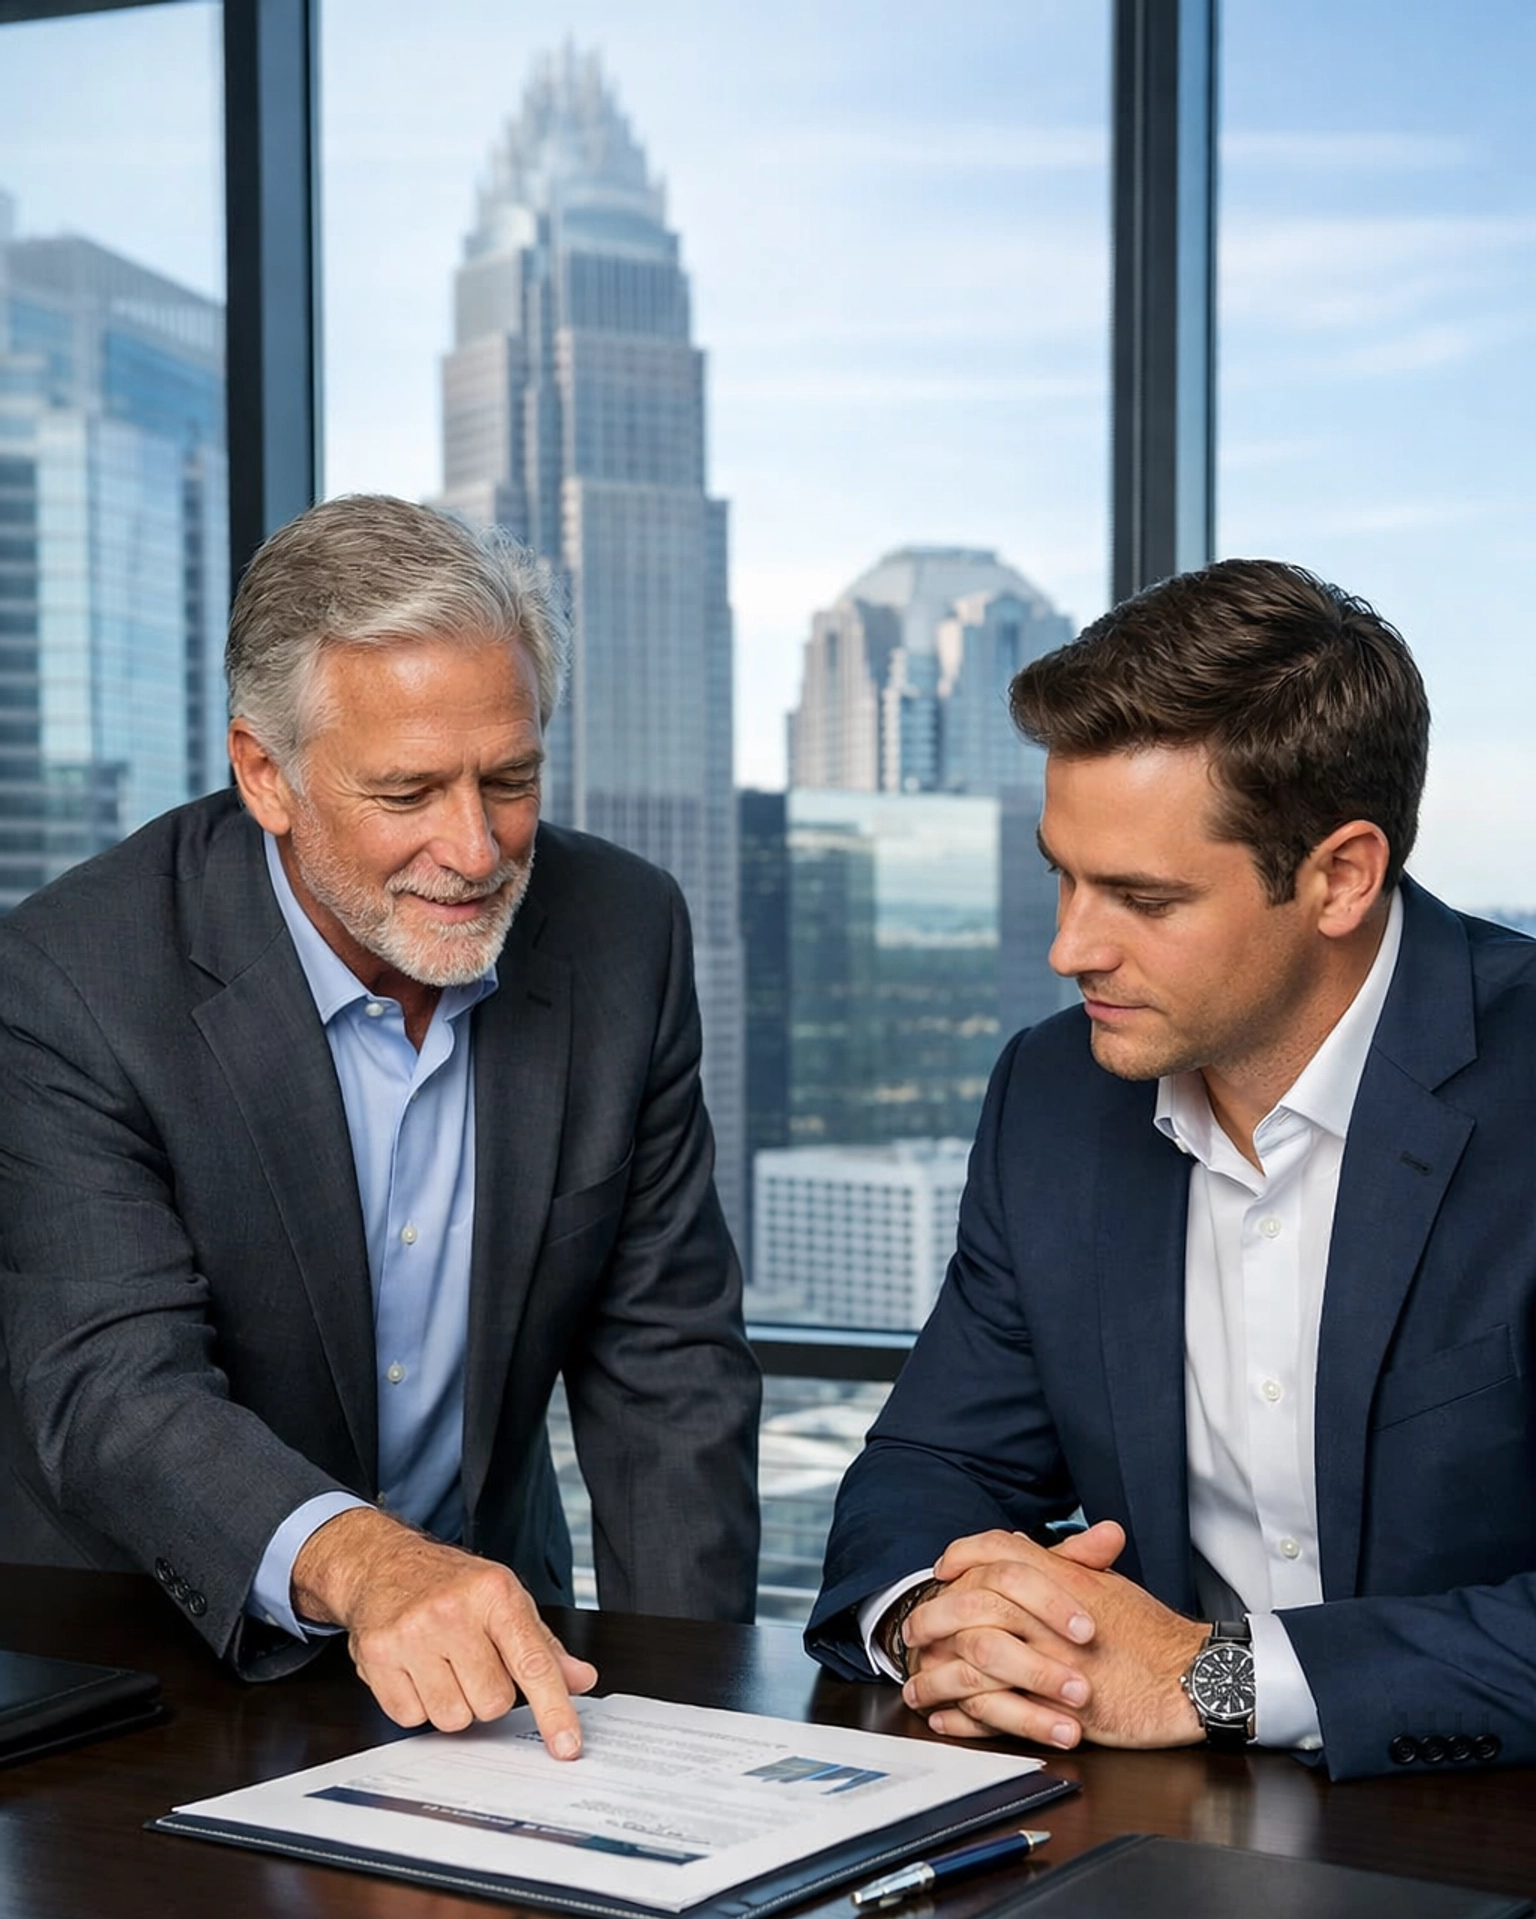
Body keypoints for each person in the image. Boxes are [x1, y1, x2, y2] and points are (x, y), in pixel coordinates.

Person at [0, 494, 760, 1757]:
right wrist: (363, 1565)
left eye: (509, 780)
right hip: (146, 1668)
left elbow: (667, 1370)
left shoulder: (625, 930)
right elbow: (115, 1390)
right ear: (267, 775)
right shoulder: (73, 979)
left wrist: (691, 1732)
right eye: (409, 791)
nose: (474, 847)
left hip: (501, 1676)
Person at [807, 557, 1536, 1781]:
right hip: (1155, 1838)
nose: (1068, 946)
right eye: (1063, 873)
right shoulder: (1052, 1093)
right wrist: (943, 1617)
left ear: (1340, 877)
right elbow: (938, 1465)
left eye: (1143, 898)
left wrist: (1220, 1678)